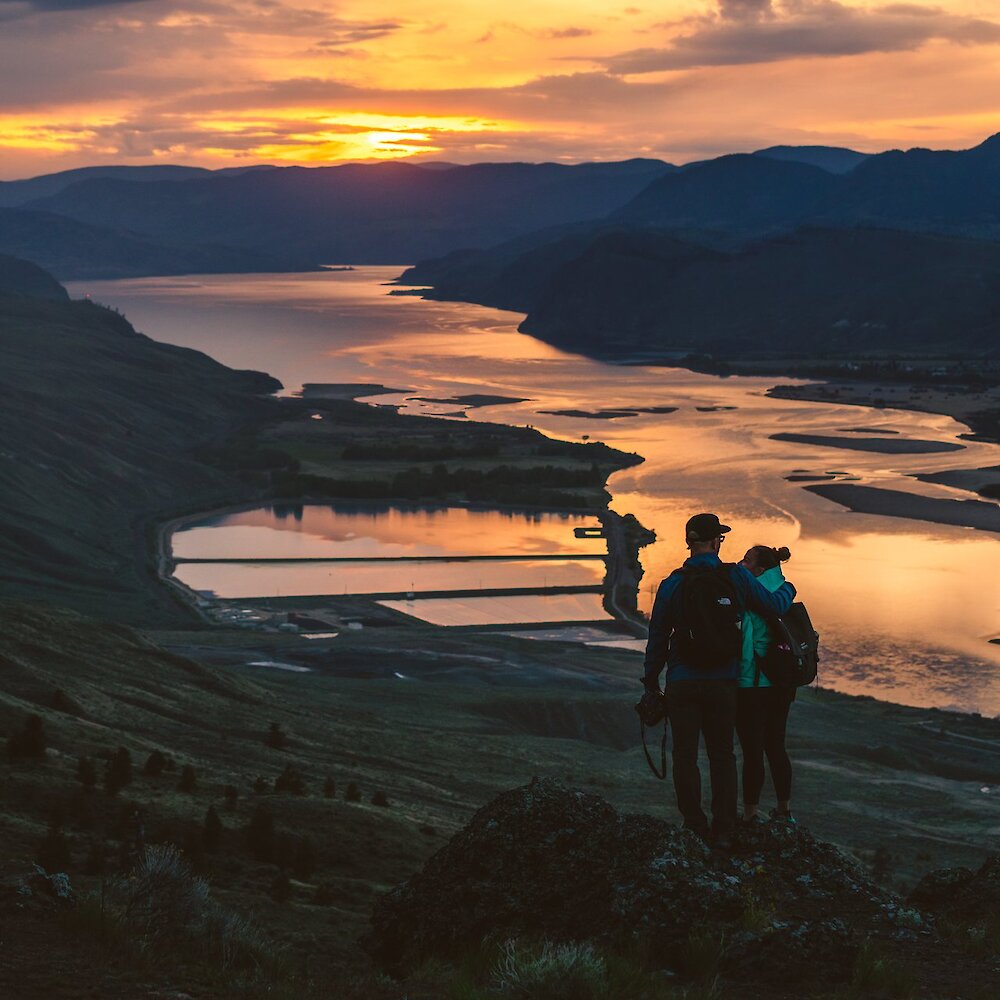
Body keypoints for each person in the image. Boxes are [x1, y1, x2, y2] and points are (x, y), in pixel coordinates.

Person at [640, 513, 796, 846]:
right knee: (722, 755)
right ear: (716, 542)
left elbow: (656, 638)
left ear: (689, 543)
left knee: (685, 755)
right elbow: (771, 606)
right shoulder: (736, 576)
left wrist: (651, 681)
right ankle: (724, 829)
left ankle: (694, 826)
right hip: (724, 681)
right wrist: (788, 588)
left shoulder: (672, 584)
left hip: (682, 681)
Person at [736, 544, 796, 825]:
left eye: (747, 561)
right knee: (776, 746)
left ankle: (750, 814)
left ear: (759, 569)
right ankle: (784, 810)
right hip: (782, 684)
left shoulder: (749, 594)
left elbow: (746, 645)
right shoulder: (784, 588)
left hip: (753, 684)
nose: (741, 564)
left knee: (752, 751)